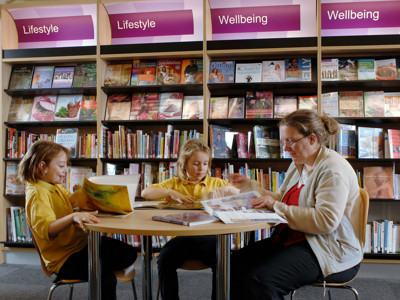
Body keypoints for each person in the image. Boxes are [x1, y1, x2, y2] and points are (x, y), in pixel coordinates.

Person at [228, 109, 363, 300]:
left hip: (329, 248)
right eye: (284, 141)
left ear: (312, 139)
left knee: (261, 281)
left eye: (290, 141)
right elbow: (281, 199)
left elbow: (325, 222)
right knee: (233, 265)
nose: (285, 148)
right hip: (296, 239)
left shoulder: (332, 170)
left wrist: (275, 205)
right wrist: (251, 187)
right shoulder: (299, 162)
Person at [18, 141, 137, 300]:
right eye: (61, 166)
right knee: (106, 277)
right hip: (64, 260)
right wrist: (73, 217)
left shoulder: (53, 185)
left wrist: (97, 194)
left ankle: (97, 270)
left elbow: (73, 201)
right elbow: (47, 229)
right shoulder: (38, 193)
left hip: (80, 246)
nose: (65, 170)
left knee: (128, 253)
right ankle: (98, 272)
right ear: (42, 166)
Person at [141, 138, 239, 300]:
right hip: (182, 239)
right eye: (196, 164)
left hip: (210, 238)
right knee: (164, 260)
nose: (201, 168)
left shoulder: (216, 183)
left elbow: (239, 194)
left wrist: (227, 190)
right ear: (184, 164)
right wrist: (171, 193)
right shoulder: (174, 184)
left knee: (224, 261)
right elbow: (146, 193)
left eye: (205, 163)